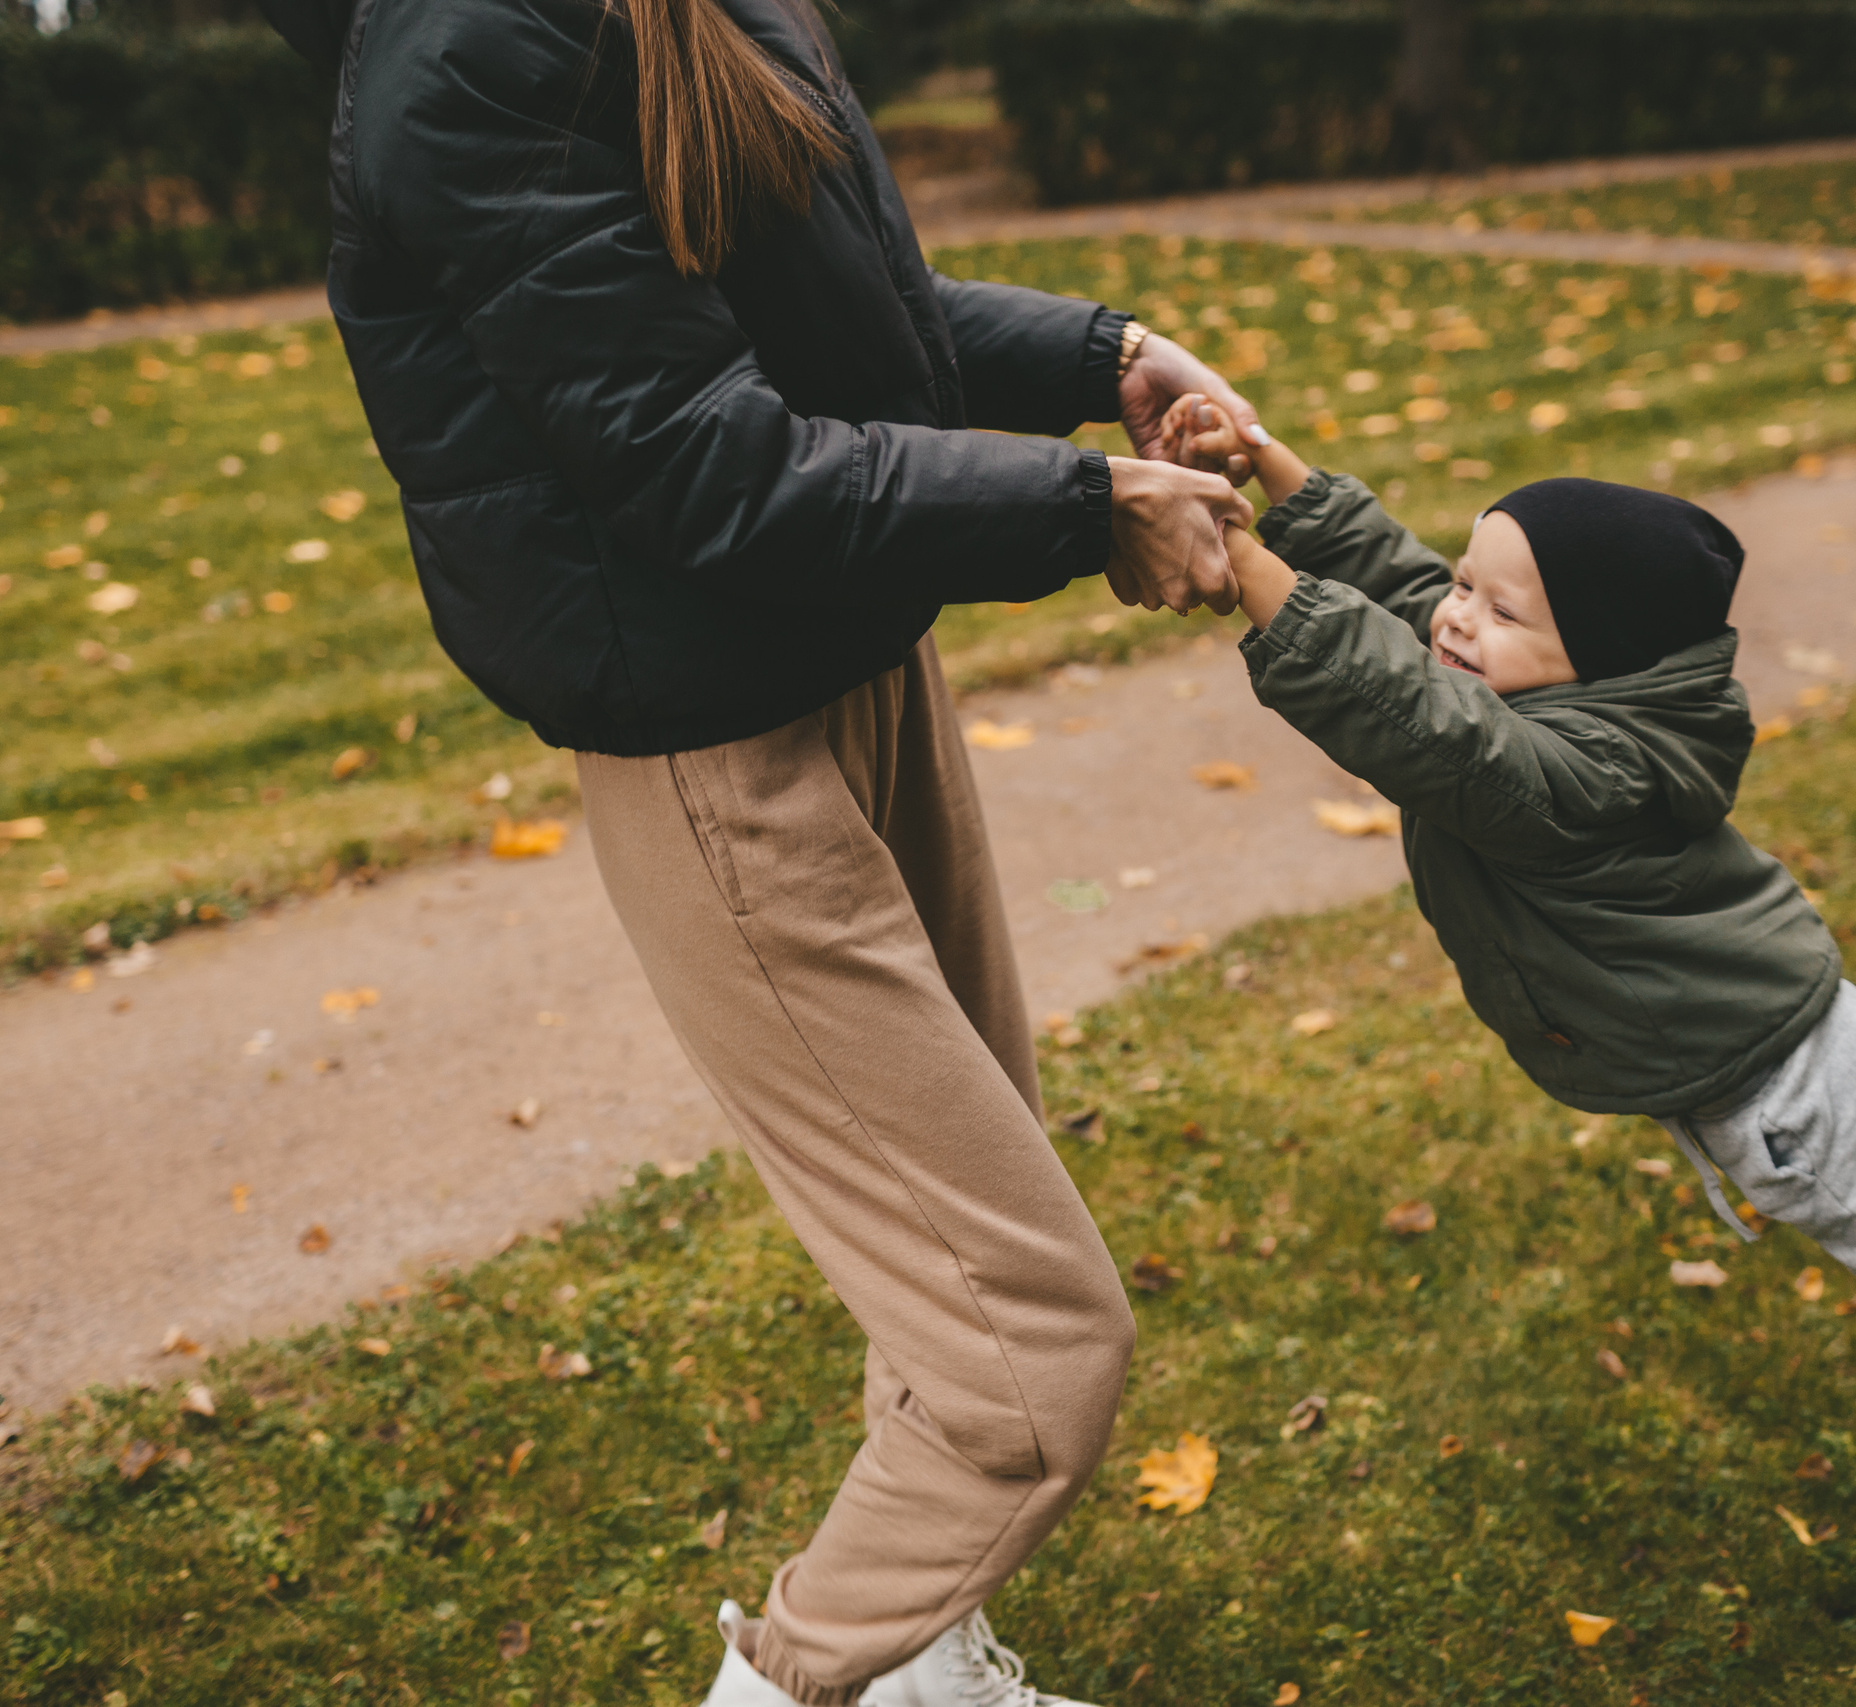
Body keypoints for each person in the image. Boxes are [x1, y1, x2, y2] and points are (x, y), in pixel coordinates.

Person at [256, 0, 1268, 1700]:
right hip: (719, 751)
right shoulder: (472, 53)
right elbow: (701, 462)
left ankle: (922, 1676)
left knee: (956, 1278)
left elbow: (852, 331)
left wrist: (1106, 355)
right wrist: (1081, 506)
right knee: (1030, 1356)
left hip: (862, 663)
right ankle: (797, 1681)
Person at [1162, 396, 1856, 1554]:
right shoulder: (1543, 675)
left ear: (1593, 658)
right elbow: (1397, 580)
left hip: (1779, 1085)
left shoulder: (1568, 768)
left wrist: (1242, 562)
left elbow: (1420, 724)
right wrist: (1266, 464)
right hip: (1782, 1045)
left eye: (1495, 607)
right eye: (1466, 583)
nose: (1453, 615)